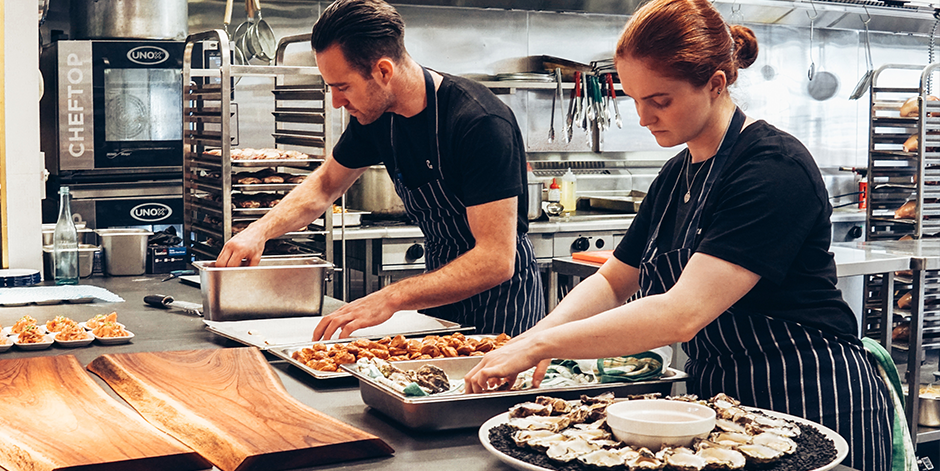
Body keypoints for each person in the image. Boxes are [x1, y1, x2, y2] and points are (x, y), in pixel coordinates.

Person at [464, 0, 892, 469]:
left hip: (810, 393)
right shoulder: (675, 175)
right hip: (724, 405)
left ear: (715, 84)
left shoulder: (772, 168)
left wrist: (539, 346)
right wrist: (532, 340)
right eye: (634, 99)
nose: (644, 117)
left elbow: (681, 313)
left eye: (659, 100)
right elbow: (612, 282)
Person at [215, 0, 544, 340]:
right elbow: (326, 185)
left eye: (342, 87)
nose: (336, 102)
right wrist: (259, 231)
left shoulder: (478, 122)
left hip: (503, 310)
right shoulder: (376, 118)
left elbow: (495, 260)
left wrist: (391, 297)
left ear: (383, 71)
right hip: (438, 298)